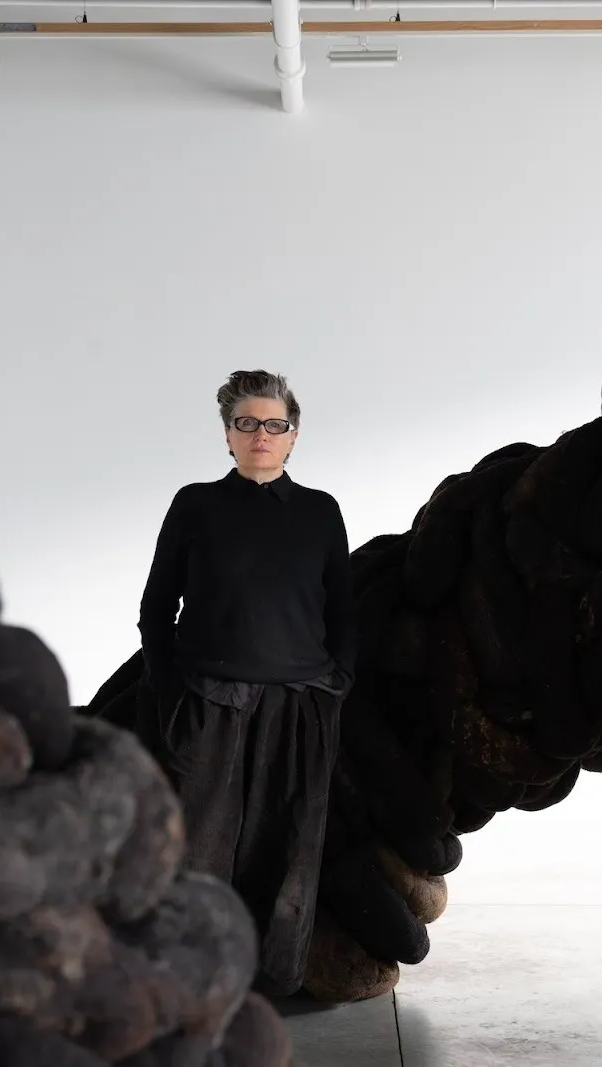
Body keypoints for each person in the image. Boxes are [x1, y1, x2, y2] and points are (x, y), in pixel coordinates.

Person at [136, 369, 357, 997]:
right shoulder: (195, 504)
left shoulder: (320, 511)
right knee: (199, 852)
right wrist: (172, 693)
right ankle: (193, 982)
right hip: (210, 703)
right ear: (228, 434)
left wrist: (336, 682)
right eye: (247, 423)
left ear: (293, 436)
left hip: (300, 705)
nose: (261, 434)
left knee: (288, 852)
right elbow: (157, 608)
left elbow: (341, 608)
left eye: (274, 424)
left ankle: (273, 985)